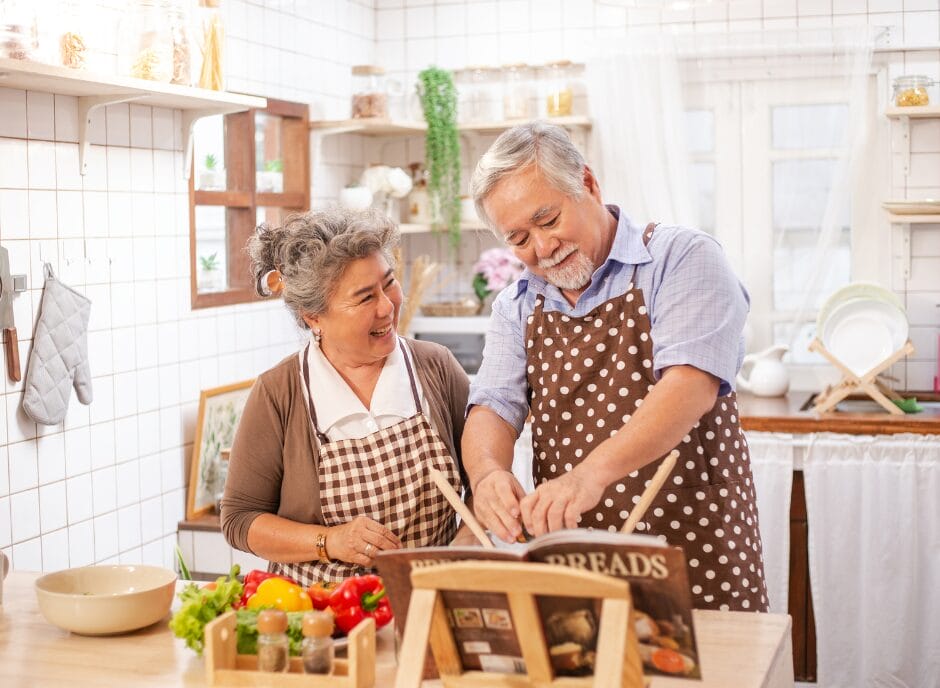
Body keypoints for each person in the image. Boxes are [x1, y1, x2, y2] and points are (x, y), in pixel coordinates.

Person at [463, 121, 768, 612]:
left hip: (690, 539)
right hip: (574, 554)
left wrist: (588, 477)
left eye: (547, 220)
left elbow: (689, 385)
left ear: (587, 183)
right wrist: (486, 474)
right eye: (518, 238)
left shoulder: (682, 258)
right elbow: (493, 406)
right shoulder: (515, 305)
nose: (541, 249)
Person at [221, 208, 471, 585]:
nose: (387, 306)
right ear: (314, 317)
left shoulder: (435, 367)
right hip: (318, 617)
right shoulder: (279, 393)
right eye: (364, 297)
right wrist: (330, 541)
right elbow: (240, 520)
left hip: (427, 603)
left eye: (388, 284)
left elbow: (484, 484)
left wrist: (464, 551)